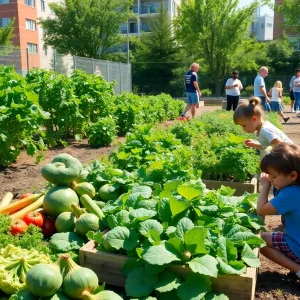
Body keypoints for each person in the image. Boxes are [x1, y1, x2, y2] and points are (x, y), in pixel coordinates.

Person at [257, 143, 300, 279]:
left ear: (293, 175)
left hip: (297, 243)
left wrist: (265, 186)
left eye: (273, 177)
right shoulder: (295, 187)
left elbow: (262, 209)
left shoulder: (290, 194)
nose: (270, 179)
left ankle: (298, 269)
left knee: (258, 241)